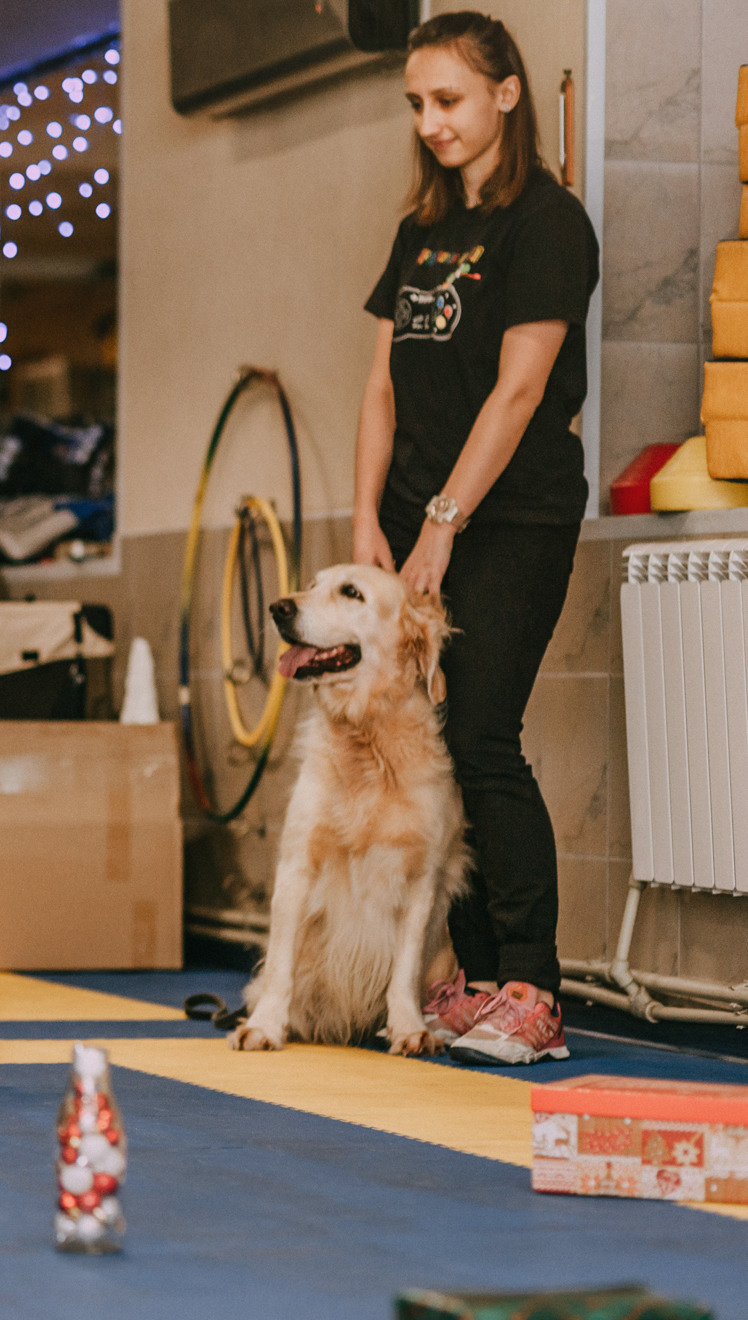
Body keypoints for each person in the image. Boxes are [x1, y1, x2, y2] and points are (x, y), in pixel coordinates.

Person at [352, 11, 599, 1066]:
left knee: (483, 737)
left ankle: (533, 990)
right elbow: (380, 386)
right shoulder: (419, 232)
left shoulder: (548, 222)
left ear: (505, 95)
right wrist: (369, 516)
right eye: (417, 104)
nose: (431, 121)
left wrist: (446, 523)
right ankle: (476, 979)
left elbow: (522, 386)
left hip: (512, 518)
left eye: (448, 99)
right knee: (435, 753)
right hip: (415, 525)